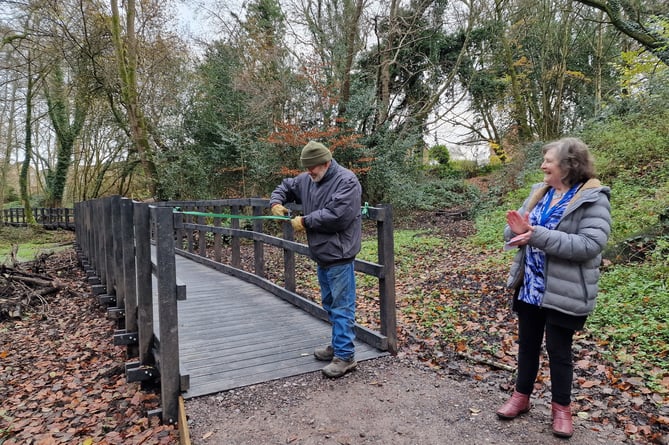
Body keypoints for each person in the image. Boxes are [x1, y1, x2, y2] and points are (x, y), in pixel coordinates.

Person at [496, 137, 611, 438]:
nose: (543, 165)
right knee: (527, 346)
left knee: (559, 351)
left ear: (569, 164)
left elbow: (590, 244)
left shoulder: (592, 198)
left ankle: (561, 409)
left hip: (565, 290)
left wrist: (535, 235)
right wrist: (517, 230)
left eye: (549, 160)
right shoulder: (539, 192)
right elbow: (513, 229)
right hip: (531, 285)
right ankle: (520, 397)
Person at [270, 140, 362, 378]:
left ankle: (345, 357)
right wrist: (276, 201)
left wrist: (305, 221)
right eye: (307, 168)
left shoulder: (347, 181)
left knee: (342, 307)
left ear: (326, 162)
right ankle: (338, 345)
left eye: (313, 168)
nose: (309, 172)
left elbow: (338, 216)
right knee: (330, 304)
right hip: (321, 254)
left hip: (340, 255)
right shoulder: (308, 179)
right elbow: (287, 185)